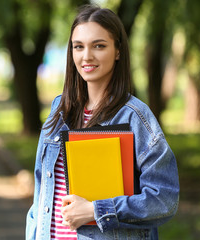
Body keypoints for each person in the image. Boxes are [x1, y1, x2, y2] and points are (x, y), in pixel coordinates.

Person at [26, 4, 179, 240]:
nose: (87, 56)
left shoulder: (135, 116)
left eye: (99, 46)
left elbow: (163, 199)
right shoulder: (59, 110)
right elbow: (40, 198)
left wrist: (96, 210)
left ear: (117, 51)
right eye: (79, 47)